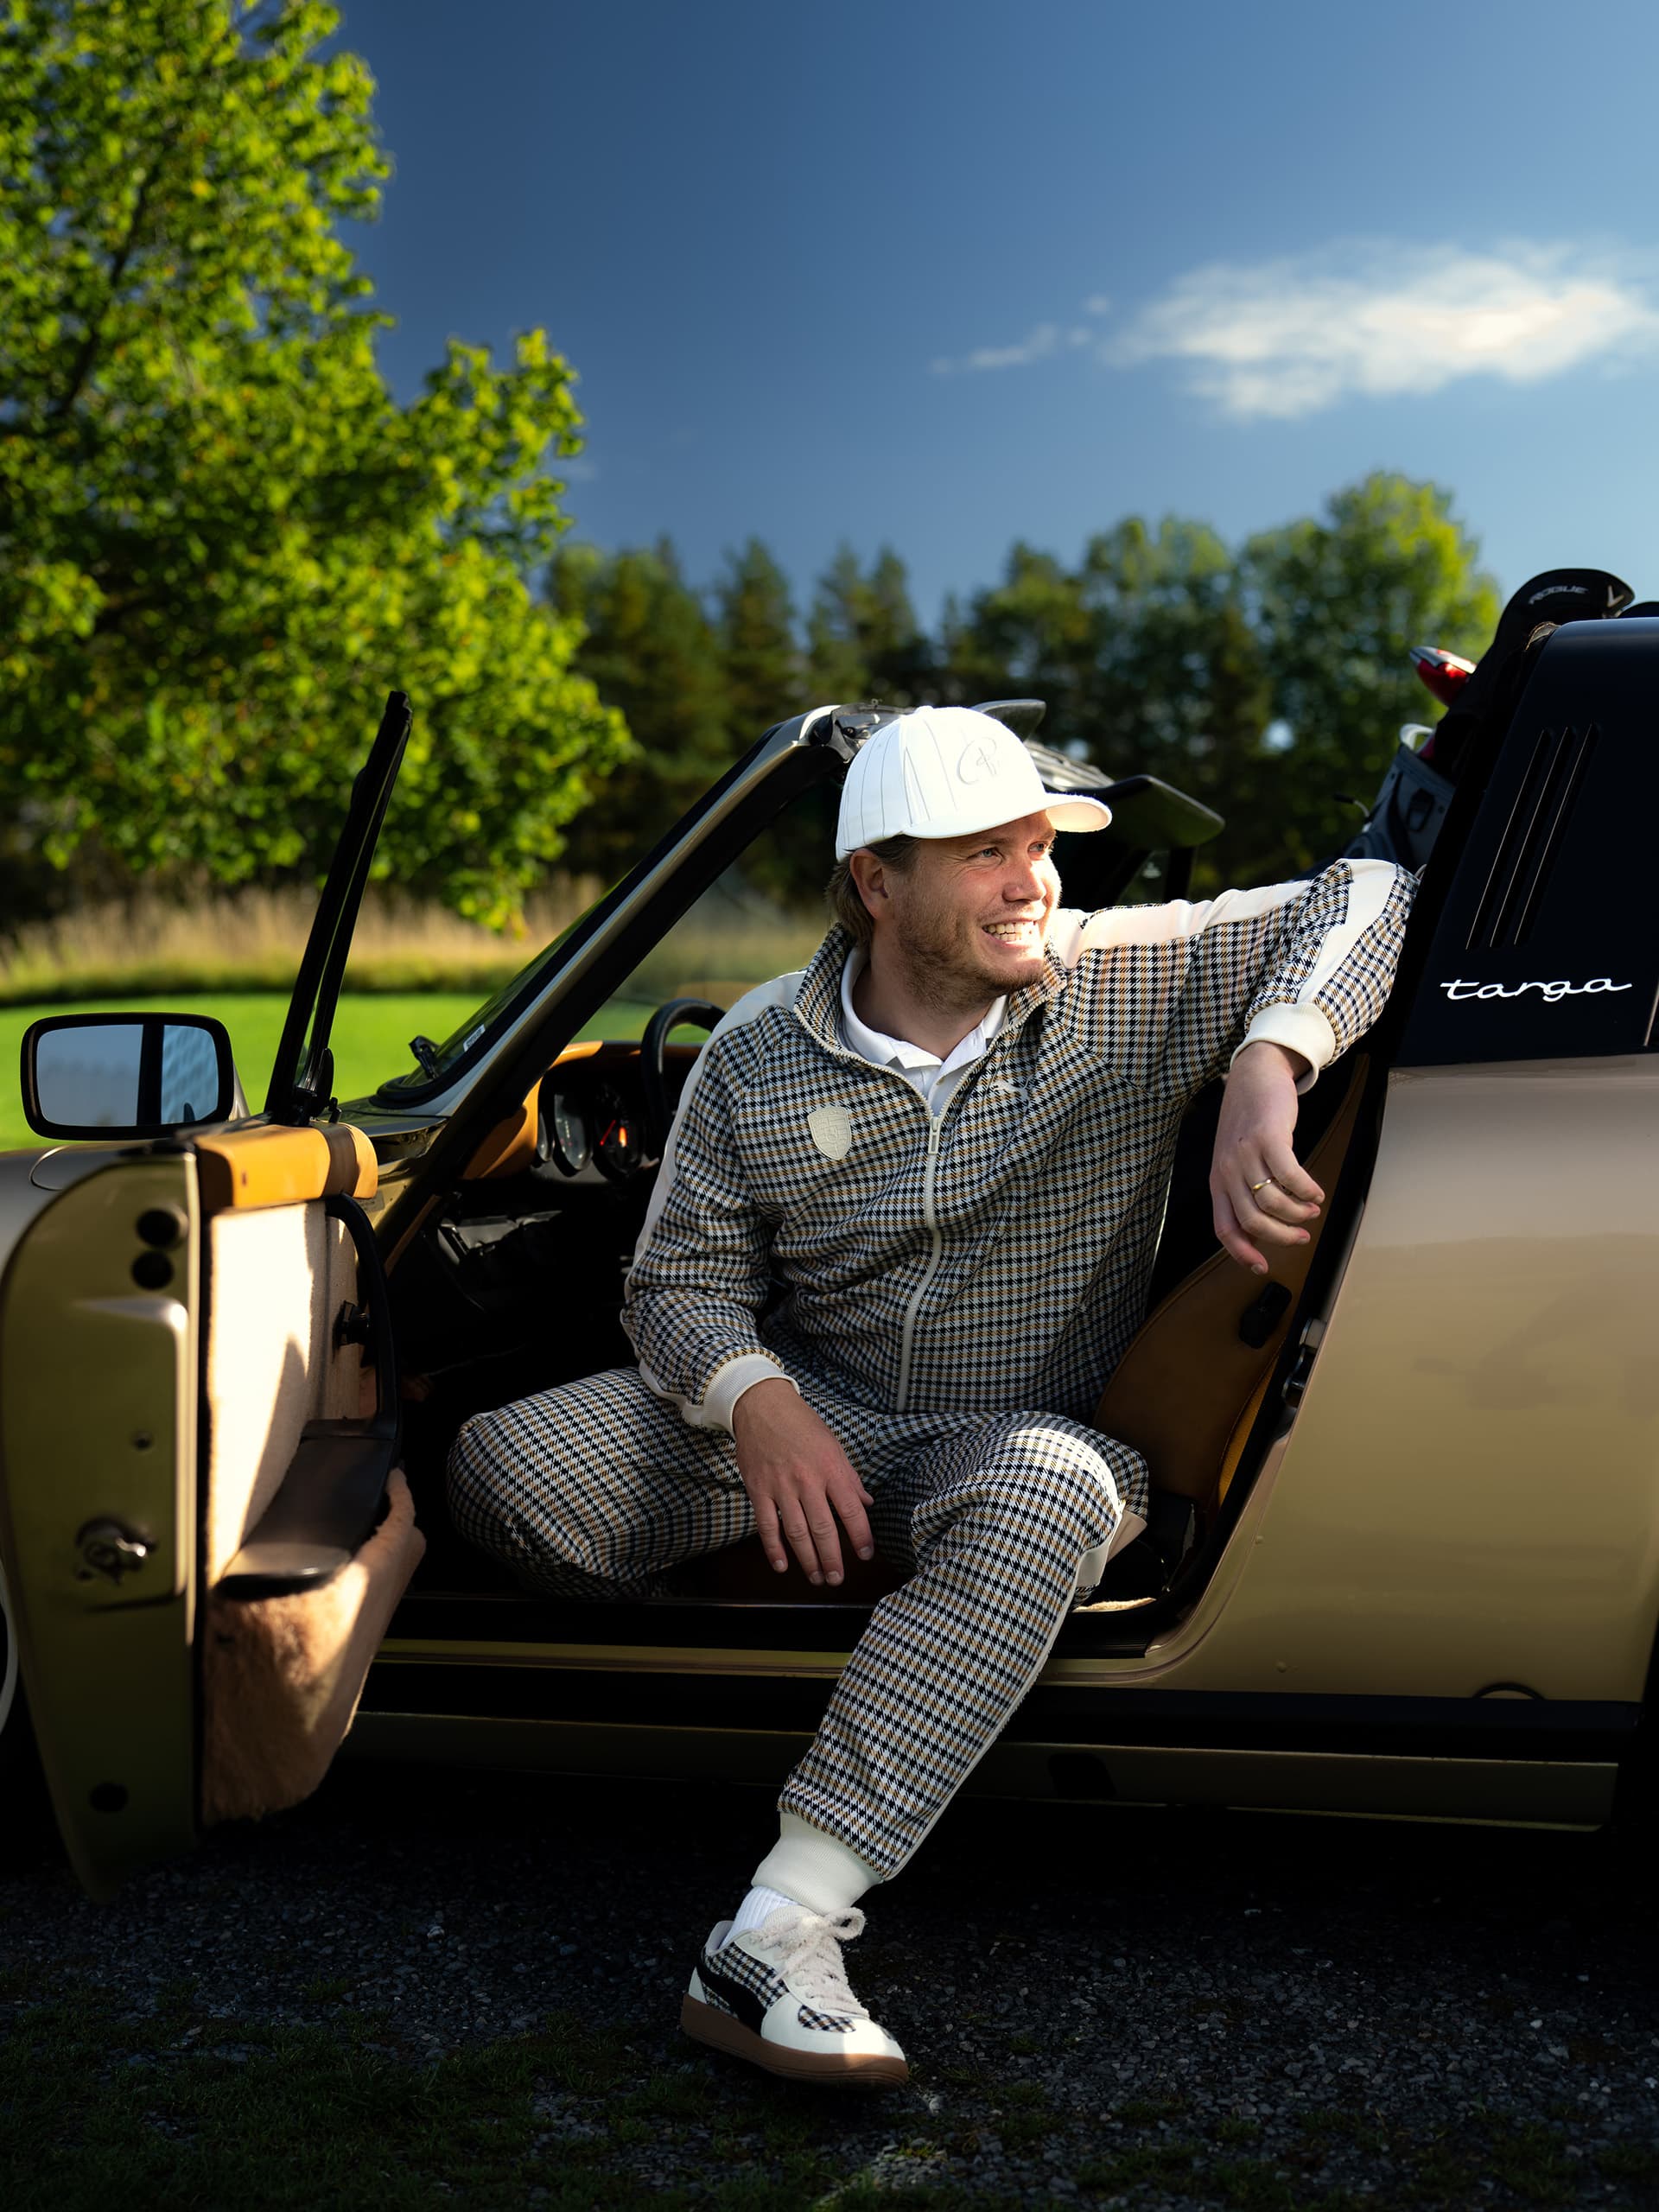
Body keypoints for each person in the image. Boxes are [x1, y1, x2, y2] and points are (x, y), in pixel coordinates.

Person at [448, 704, 1415, 2089]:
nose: (1033, 882)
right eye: (986, 854)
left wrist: (1271, 1058)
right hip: (810, 1416)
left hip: (1007, 1442)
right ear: (877, 883)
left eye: (1039, 846)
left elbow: (1374, 889)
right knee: (502, 1467)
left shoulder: (1122, 979)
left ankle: (777, 1927)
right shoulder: (755, 1053)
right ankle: (851, 1672)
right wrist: (757, 1401)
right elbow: (675, 1285)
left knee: (1060, 1493)